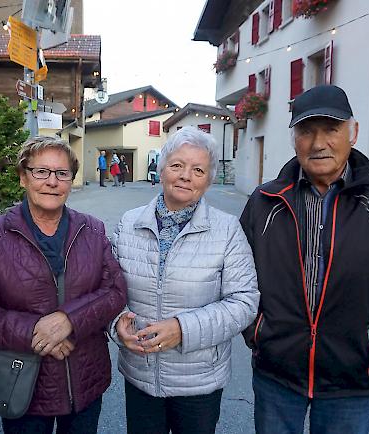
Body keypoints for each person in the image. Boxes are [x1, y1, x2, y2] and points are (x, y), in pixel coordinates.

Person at [240, 85, 369, 434]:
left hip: (351, 383)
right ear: (294, 139)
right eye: (306, 131)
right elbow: (235, 278)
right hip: (277, 376)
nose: (318, 143)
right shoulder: (265, 201)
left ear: (353, 132)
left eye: (331, 128)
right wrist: (258, 331)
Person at [0, 136, 127, 434]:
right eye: (41, 172)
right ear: (23, 177)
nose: (52, 181)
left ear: (70, 181)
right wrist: (35, 330)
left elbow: (115, 291)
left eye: (62, 173)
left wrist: (68, 320)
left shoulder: (92, 229)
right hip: (22, 383)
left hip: (85, 379)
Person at [110, 126, 259, 434]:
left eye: (198, 169)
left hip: (199, 380)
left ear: (208, 179)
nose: (185, 176)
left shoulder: (227, 229)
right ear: (161, 169)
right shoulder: (129, 223)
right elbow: (107, 288)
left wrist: (183, 329)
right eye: (177, 165)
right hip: (140, 371)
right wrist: (115, 324)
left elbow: (245, 301)